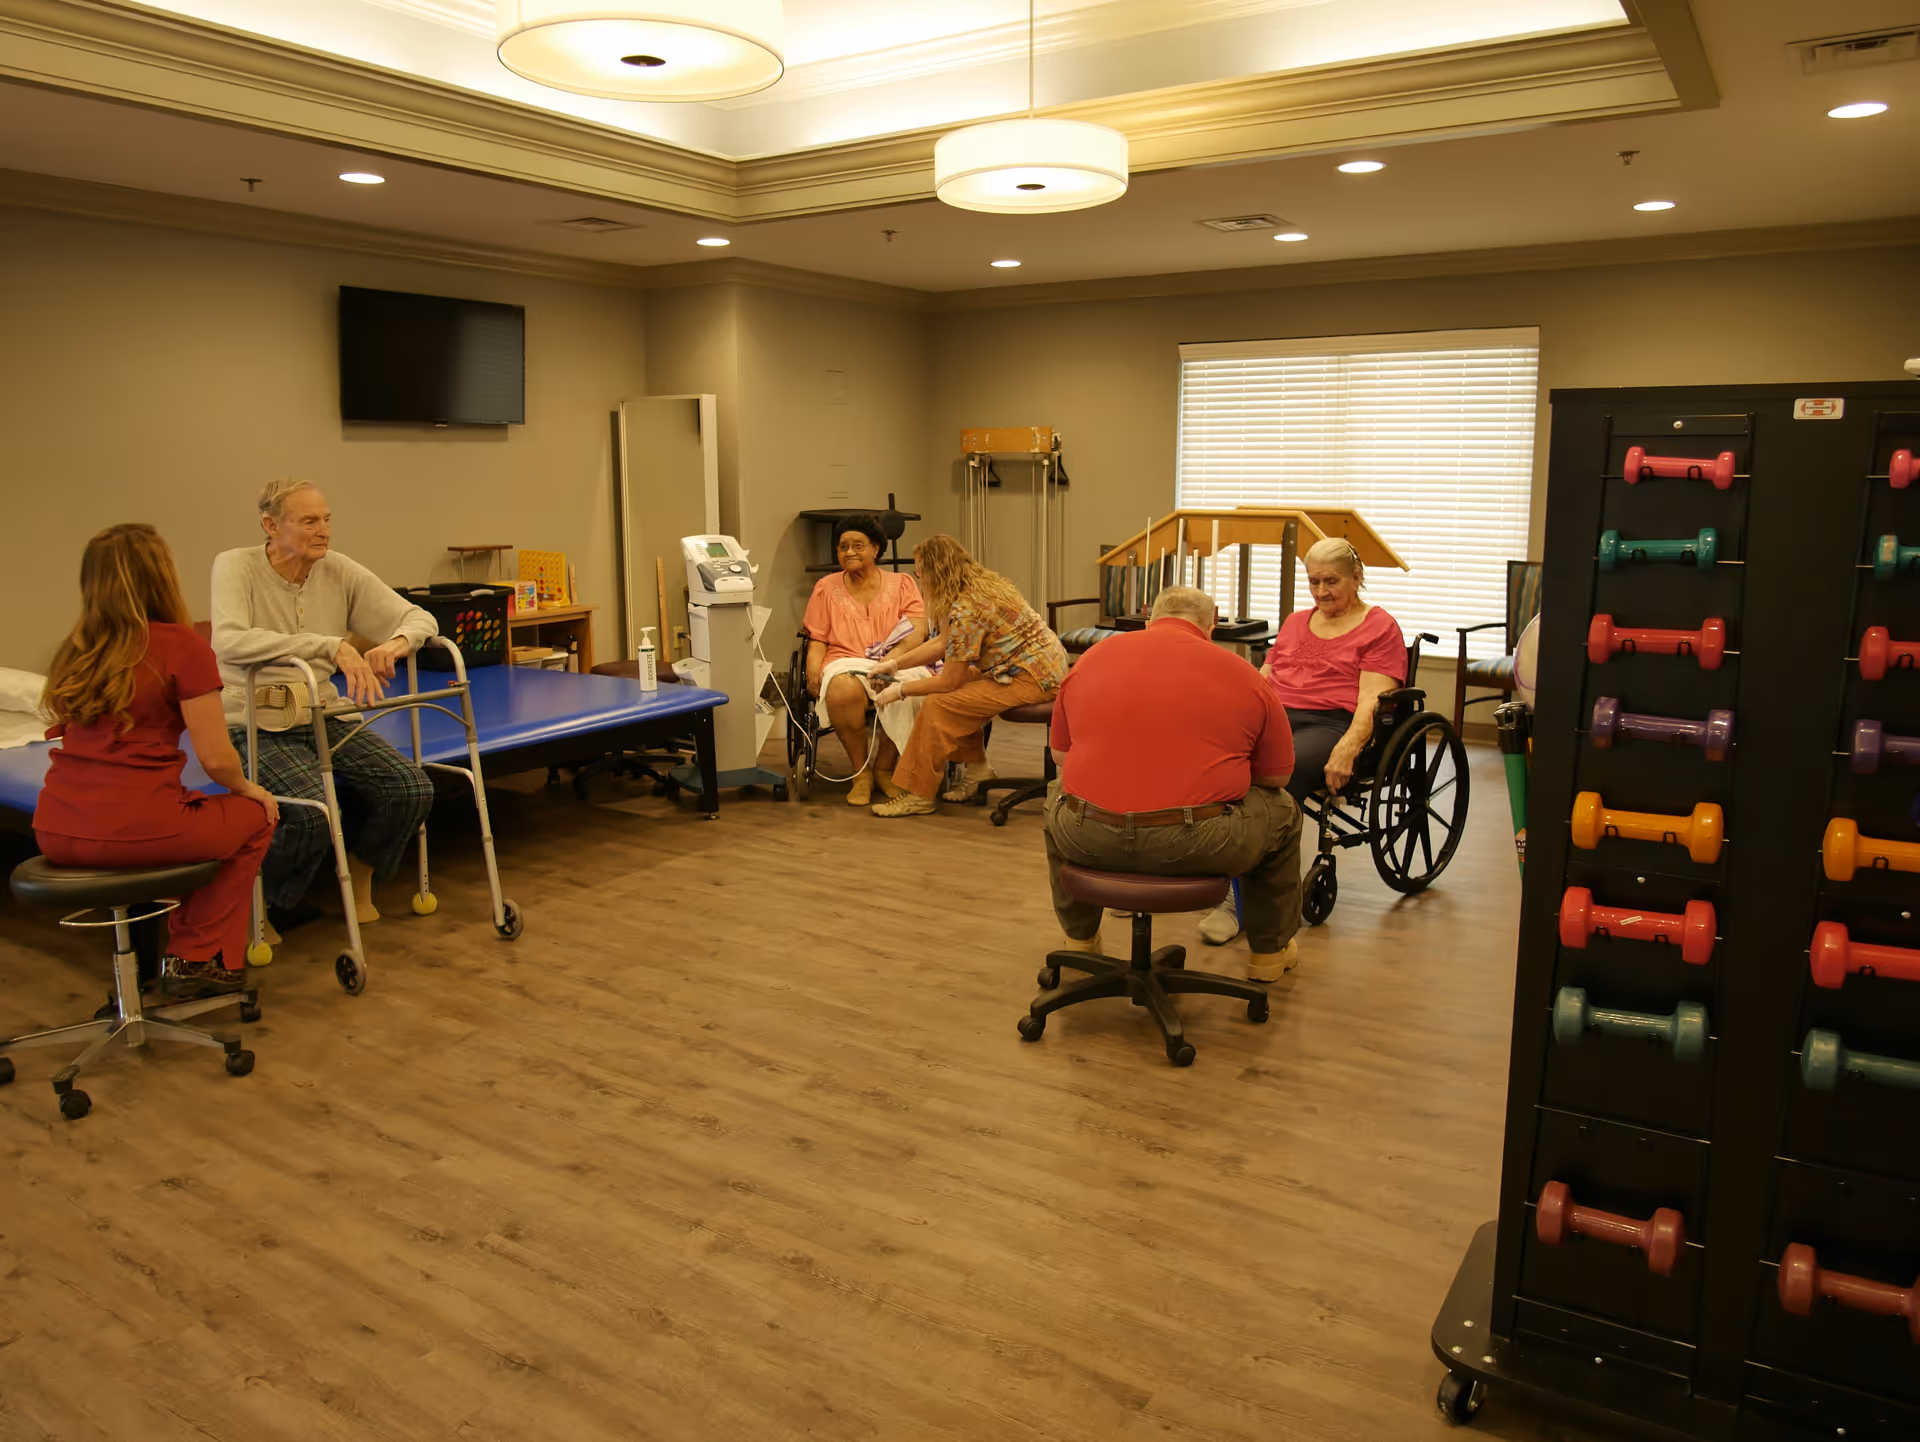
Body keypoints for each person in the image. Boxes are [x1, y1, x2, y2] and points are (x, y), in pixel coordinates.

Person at [34, 524, 279, 997]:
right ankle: (195, 955)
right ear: (161, 576)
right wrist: (250, 789)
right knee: (256, 815)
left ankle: (183, 959)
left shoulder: (75, 650)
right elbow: (215, 758)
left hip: (57, 829)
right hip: (137, 831)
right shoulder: (181, 645)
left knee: (187, 809)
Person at [210, 479, 438, 938]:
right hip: (252, 720)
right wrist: (331, 646)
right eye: (309, 520)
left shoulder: (338, 570)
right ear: (271, 525)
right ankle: (265, 905)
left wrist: (392, 646)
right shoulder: (236, 566)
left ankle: (358, 872)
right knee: (313, 808)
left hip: (322, 714)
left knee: (411, 788)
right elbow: (228, 640)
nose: (324, 531)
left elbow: (419, 617)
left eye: (327, 519)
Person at [1043, 586, 1303, 981]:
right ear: (1211, 624)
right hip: (1198, 843)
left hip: (1088, 835)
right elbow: (1275, 777)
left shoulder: (1090, 660)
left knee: (1056, 797)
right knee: (1283, 809)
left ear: (1148, 621)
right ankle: (1269, 954)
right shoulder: (1244, 675)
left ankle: (1080, 941)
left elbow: (1061, 757)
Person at [1197, 537, 1406, 946]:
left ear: (1357, 577)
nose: (1321, 591)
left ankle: (1241, 900)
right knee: (1211, 761)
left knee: (1273, 778)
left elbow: (1372, 700)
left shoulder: (1379, 627)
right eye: (1314, 582)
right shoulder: (1295, 622)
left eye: (1331, 581)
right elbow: (1264, 679)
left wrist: (1347, 749)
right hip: (1277, 716)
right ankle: (1197, 871)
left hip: (1331, 724)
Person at [866, 534, 1067, 819]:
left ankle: (918, 795)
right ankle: (978, 770)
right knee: (958, 697)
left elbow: (950, 681)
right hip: (1041, 666)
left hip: (1034, 678)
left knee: (938, 703)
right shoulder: (982, 585)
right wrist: (894, 665)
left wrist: (900, 690)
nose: (918, 577)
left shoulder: (966, 610)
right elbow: (942, 643)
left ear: (936, 573)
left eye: (920, 571)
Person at [800, 513, 930, 807]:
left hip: (897, 659)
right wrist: (812, 668)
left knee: (912, 692)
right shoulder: (826, 587)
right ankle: (861, 773)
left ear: (876, 549)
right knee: (842, 690)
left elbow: (916, 633)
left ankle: (884, 768)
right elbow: (817, 637)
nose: (849, 552)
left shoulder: (903, 584)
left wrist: (891, 662)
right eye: (843, 547)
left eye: (858, 545)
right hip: (844, 659)